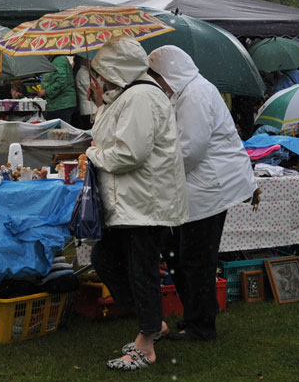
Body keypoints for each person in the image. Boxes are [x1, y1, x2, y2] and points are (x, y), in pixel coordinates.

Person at [86, 36, 188, 371]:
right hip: (132, 202)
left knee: (141, 270)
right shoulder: (128, 96)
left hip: (146, 202)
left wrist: (91, 155)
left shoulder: (141, 96)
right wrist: (100, 103)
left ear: (118, 68)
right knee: (106, 258)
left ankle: (147, 344)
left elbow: (129, 153)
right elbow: (107, 135)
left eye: (103, 72)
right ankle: (153, 322)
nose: (100, 78)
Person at [147, 45, 258, 341]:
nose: (157, 83)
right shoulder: (184, 93)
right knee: (180, 255)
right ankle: (196, 318)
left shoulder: (194, 94)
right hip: (198, 185)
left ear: (169, 73)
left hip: (209, 186)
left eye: (157, 76)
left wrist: (154, 172)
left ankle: (202, 325)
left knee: (196, 258)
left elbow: (190, 150)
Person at [37, 55, 76, 123]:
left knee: (58, 131)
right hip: (57, 104)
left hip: (61, 104)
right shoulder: (56, 61)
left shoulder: (59, 61)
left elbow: (61, 81)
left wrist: (46, 91)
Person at [73, 55, 97, 130]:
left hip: (91, 108)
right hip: (89, 108)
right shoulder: (83, 72)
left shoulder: (87, 72)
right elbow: (89, 89)